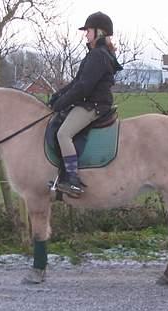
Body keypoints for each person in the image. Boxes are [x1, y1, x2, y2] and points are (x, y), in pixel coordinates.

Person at [49, 11, 123, 196]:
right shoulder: (97, 54)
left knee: (64, 134)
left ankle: (72, 180)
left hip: (94, 106)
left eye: (88, 30)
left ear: (99, 32)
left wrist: (60, 104)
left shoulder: (98, 55)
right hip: (91, 103)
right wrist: (57, 96)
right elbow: (76, 83)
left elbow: (83, 87)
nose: (86, 34)